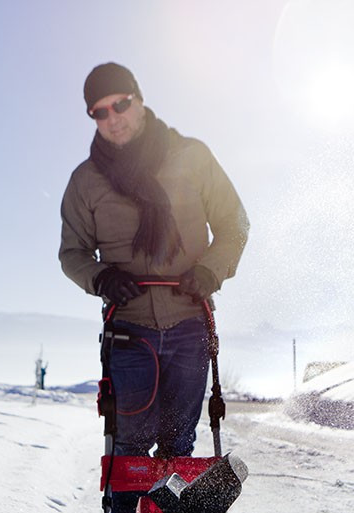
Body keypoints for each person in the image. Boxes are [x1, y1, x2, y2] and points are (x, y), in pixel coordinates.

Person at [59, 63, 249, 458]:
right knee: (131, 447)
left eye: (121, 104)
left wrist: (209, 270)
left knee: (179, 445)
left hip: (189, 327)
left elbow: (234, 224)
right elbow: (72, 252)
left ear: (140, 100)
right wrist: (102, 278)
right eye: (100, 111)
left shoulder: (192, 157)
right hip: (130, 334)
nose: (113, 118)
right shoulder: (86, 181)